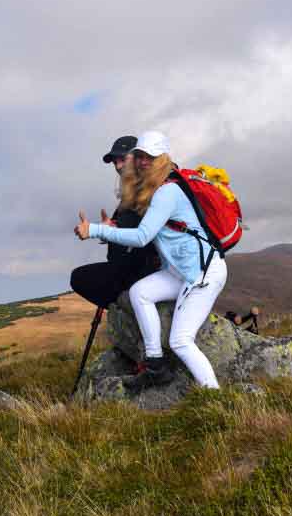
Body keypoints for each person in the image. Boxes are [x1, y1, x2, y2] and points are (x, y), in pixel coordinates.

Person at [74, 130, 228, 391]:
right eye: (141, 156)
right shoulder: (153, 190)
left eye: (151, 157)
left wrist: (96, 230)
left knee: (181, 341)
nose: (144, 161)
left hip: (203, 273)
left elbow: (143, 237)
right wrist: (113, 227)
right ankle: (155, 362)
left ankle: (214, 394)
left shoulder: (167, 192)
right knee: (140, 293)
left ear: (163, 158)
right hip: (179, 273)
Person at [69, 136, 160, 309]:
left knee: (81, 278)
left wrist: (102, 230)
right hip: (135, 268)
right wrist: (111, 228)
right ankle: (125, 310)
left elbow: (145, 234)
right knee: (82, 277)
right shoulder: (133, 192)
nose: (118, 166)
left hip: (147, 270)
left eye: (123, 159)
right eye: (114, 162)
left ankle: (127, 310)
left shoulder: (153, 190)